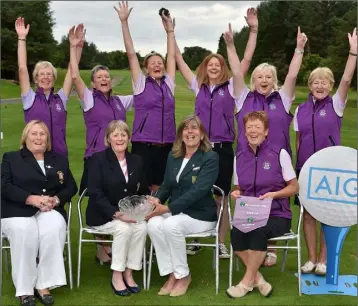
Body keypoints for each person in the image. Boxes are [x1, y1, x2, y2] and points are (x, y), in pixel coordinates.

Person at [173, 8, 259, 259]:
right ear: (205, 67)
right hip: (198, 149)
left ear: (222, 68)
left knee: (221, 198)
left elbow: (245, 61)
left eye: (217, 64)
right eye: (210, 64)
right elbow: (178, 60)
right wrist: (171, 33)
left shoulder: (232, 87)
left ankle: (220, 242)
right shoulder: (197, 86)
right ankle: (196, 238)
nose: (213, 67)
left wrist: (251, 31)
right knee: (195, 195)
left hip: (221, 149)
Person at [233, 26, 307, 267]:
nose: (263, 80)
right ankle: (253, 245)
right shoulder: (243, 97)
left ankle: (270, 246)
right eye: (259, 76)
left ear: (274, 81)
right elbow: (236, 72)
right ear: (252, 81)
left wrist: (299, 49)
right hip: (248, 158)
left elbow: (293, 76)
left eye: (268, 77)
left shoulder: (283, 99)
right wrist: (231, 46)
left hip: (276, 161)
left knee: (273, 200)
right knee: (252, 197)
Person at [294, 28, 357, 276]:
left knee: (327, 215)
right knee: (308, 214)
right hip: (307, 169)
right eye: (315, 82)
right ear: (309, 85)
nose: (320, 85)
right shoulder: (300, 109)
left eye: (325, 82)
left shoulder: (336, 104)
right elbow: (298, 140)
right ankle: (310, 258)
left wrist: (353, 52)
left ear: (330, 86)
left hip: (332, 170)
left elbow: (347, 80)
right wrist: (299, 167)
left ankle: (323, 259)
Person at [69, 25, 134, 262]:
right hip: (96, 158)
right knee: (98, 202)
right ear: (94, 84)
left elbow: (142, 91)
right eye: (99, 78)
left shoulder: (120, 101)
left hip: (119, 159)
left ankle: (119, 244)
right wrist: (75, 48)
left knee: (118, 199)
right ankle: (101, 248)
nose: (104, 79)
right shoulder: (88, 99)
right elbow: (75, 77)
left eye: (106, 76)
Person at [1, 120, 78, 306]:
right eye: (33, 133)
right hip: (18, 209)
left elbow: (71, 186)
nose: (38, 137)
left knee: (55, 227)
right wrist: (31, 199)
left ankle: (43, 283)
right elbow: (4, 186)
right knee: (24, 231)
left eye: (42, 134)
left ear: (48, 139)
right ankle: (25, 288)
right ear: (25, 137)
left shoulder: (58, 159)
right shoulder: (11, 158)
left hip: (49, 209)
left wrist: (56, 200)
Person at [146, 114, 219, 297]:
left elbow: (199, 190)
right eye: (186, 129)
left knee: (170, 224)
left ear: (202, 134)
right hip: (177, 213)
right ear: (181, 134)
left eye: (194, 128)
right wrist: (157, 200)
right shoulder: (174, 156)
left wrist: (168, 208)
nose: (190, 132)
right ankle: (172, 274)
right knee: (153, 224)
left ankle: (184, 276)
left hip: (200, 215)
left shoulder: (210, 157)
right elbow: (166, 185)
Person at [227, 111, 298, 298]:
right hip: (251, 212)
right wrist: (236, 193)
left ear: (266, 131)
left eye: (257, 127)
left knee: (258, 231)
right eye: (249, 127)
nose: (253, 131)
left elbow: (294, 187)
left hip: (277, 215)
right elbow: (238, 187)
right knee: (236, 232)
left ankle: (246, 282)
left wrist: (275, 194)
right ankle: (259, 279)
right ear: (244, 132)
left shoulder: (279, 153)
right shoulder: (239, 157)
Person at [116, 1, 176, 193]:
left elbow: (172, 57)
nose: (158, 65)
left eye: (160, 62)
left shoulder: (169, 84)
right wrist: (124, 22)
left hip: (166, 145)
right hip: (144, 146)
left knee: (160, 189)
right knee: (141, 189)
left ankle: (156, 222)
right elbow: (131, 54)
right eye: (153, 63)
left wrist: (169, 32)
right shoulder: (141, 83)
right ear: (146, 67)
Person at [86, 120, 149, 296]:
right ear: (108, 139)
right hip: (103, 215)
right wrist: (116, 213)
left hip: (130, 214)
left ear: (129, 138)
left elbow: (143, 189)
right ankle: (117, 274)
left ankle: (129, 272)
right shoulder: (97, 160)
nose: (119, 138)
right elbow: (95, 192)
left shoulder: (136, 160)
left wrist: (144, 203)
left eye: (123, 134)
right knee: (123, 228)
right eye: (115, 135)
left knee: (141, 227)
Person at [15, 17, 84, 157]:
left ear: (54, 78)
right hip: (34, 157)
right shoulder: (30, 98)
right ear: (36, 79)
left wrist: (76, 47)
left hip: (59, 157)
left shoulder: (61, 99)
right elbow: (22, 68)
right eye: (42, 74)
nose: (46, 77)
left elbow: (73, 71)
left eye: (49, 74)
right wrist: (21, 38)